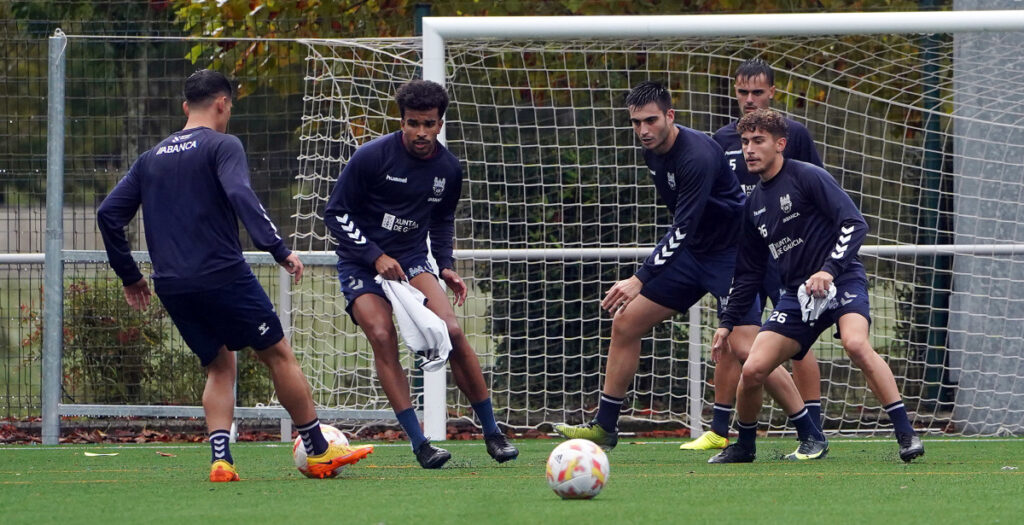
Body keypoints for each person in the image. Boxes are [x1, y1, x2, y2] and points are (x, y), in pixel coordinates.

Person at [96, 70, 373, 482]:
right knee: (278, 355)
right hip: (222, 274)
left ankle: (221, 460)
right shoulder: (224, 145)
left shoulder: (150, 158)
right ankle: (318, 450)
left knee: (219, 367)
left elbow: (107, 214)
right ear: (223, 103)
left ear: (186, 106)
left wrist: (130, 275)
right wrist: (278, 248)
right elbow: (241, 194)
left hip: (172, 284)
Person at [554, 81, 825, 457]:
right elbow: (686, 231)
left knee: (747, 347)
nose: (643, 131)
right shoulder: (652, 152)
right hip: (692, 254)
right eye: (635, 123)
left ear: (670, 116)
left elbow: (682, 225)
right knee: (626, 321)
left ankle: (810, 433)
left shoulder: (695, 154)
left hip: (733, 256)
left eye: (651, 121)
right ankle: (605, 425)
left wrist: (640, 278)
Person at [709, 108, 924, 463]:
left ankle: (906, 434)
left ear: (780, 144)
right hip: (797, 295)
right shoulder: (754, 205)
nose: (749, 149)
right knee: (753, 369)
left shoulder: (808, 176)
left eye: (758, 141)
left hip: (840, 280)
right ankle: (747, 447)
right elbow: (748, 273)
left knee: (856, 343)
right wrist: (727, 323)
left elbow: (854, 224)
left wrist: (828, 269)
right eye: (745, 142)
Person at [323, 79, 518, 469]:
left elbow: (442, 221)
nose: (421, 132)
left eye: (429, 124)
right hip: (361, 262)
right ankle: (420, 444)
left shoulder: (448, 169)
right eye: (413, 123)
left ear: (440, 124)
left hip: (411, 259)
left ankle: (494, 434)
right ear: (402, 122)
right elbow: (335, 213)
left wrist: (444, 263)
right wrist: (375, 256)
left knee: (453, 330)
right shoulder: (371, 157)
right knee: (381, 333)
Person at [681, 58, 826, 452]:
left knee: (798, 340)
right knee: (735, 335)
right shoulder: (723, 138)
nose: (749, 99)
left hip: (789, 251)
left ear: (773, 92)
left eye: (757, 92)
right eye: (743, 92)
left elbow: (815, 189)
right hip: (742, 252)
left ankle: (811, 426)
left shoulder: (793, 134)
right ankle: (718, 429)